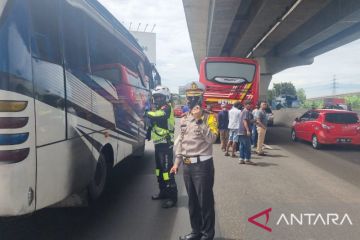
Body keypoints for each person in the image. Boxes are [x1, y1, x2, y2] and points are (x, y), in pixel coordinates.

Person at [170, 81, 218, 240]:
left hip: (203, 165)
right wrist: (177, 163)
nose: (190, 101)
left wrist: (199, 121)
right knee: (192, 202)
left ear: (200, 99)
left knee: (205, 202)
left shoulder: (209, 117)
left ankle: (207, 234)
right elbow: (182, 142)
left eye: (194, 99)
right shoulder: (184, 119)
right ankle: (196, 231)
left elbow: (212, 139)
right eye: (188, 98)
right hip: (187, 165)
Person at [146, 85, 178, 208]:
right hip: (158, 145)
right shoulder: (157, 109)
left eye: (160, 97)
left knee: (167, 171)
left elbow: (159, 115)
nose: (158, 99)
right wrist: (148, 131)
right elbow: (154, 123)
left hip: (165, 144)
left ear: (166, 98)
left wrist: (147, 113)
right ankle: (163, 192)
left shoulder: (167, 108)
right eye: (156, 97)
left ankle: (172, 197)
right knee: (159, 171)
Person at [237, 100, 256, 165]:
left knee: (242, 146)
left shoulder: (242, 111)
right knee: (247, 146)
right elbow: (245, 121)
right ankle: (247, 159)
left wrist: (252, 121)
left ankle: (241, 159)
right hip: (244, 131)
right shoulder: (246, 111)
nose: (250, 105)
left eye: (250, 104)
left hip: (240, 131)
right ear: (245, 105)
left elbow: (247, 121)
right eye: (248, 104)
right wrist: (248, 130)